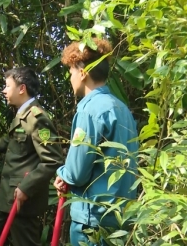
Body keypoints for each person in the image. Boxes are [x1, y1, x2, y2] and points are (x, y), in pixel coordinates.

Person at [53, 38, 138, 245]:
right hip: (122, 221)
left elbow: (77, 173)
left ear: (83, 73)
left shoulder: (89, 110)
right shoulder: (121, 109)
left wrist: (62, 174)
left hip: (93, 225)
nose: (70, 77)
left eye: (71, 71)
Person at [0, 67, 64, 246]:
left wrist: (26, 188)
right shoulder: (22, 114)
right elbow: (9, 142)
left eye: (7, 85)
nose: (4, 90)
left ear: (22, 88)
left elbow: (53, 160)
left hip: (23, 199)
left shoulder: (37, 118)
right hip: (8, 197)